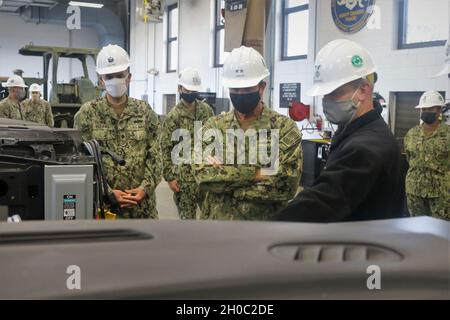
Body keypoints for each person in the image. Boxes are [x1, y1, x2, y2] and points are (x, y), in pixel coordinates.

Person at [275, 39, 405, 222]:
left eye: (335, 93)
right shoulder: (354, 131)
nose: (327, 101)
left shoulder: (367, 147)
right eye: (325, 95)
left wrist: (265, 230)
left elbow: (320, 204)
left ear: (363, 90)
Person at [195, 46, 303, 220]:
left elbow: (286, 185)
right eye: (235, 89)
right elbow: (202, 175)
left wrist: (225, 176)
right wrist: (256, 173)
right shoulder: (214, 126)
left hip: (263, 230)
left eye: (246, 89)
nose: (240, 94)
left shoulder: (284, 128)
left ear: (261, 87)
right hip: (217, 227)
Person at [74, 44, 161, 219]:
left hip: (142, 209)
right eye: (109, 76)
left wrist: (145, 188)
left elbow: (156, 155)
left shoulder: (144, 111)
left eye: (120, 76)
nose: (115, 80)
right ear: (101, 80)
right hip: (104, 207)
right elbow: (79, 160)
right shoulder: (87, 114)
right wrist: (106, 191)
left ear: (129, 78)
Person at [160, 68, 214, 219]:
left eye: (194, 90)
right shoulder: (173, 116)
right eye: (187, 89)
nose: (191, 93)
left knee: (211, 218)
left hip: (205, 177)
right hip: (183, 180)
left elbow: (214, 140)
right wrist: (170, 177)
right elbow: (165, 148)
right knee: (187, 222)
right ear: (180, 89)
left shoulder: (207, 111)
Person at [404, 91, 449, 220]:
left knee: (441, 230)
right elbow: (409, 158)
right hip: (414, 191)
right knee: (417, 230)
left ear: (439, 110)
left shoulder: (447, 133)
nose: (426, 111)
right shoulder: (411, 133)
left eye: (431, 108)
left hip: (442, 194)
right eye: (424, 109)